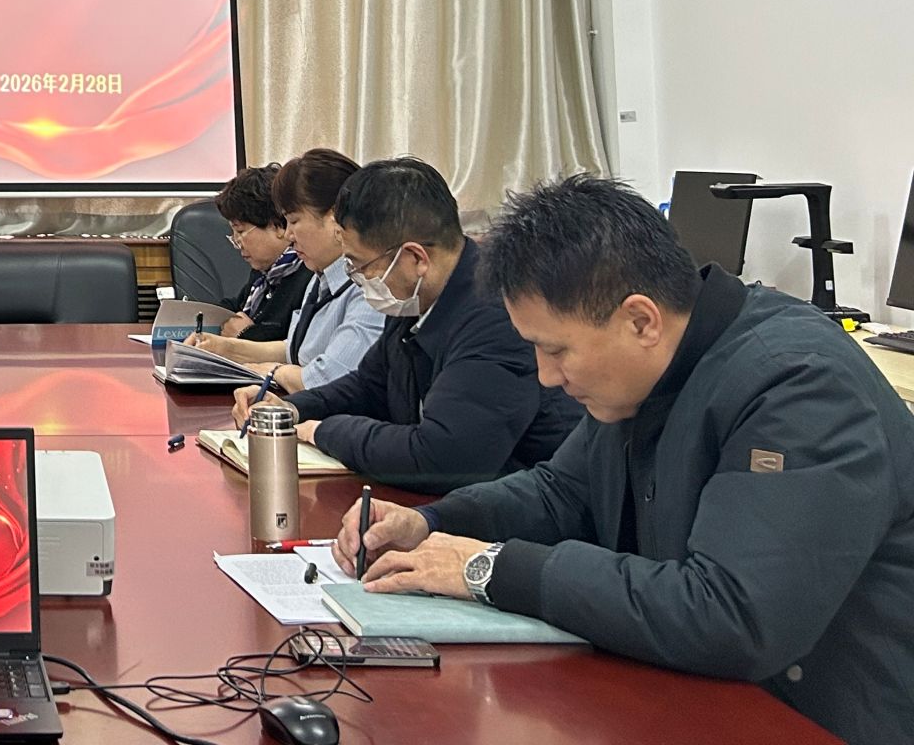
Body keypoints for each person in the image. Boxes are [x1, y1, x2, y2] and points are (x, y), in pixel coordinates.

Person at [340, 177, 914, 745]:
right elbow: (559, 492)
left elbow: (733, 618)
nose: (546, 376)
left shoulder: (799, 387)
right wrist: (433, 523)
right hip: (696, 696)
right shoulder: (644, 373)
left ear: (641, 320)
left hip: (815, 720)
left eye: (556, 350)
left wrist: (489, 569)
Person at [233, 157, 581, 492]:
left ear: (415, 258)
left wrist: (322, 431)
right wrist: (293, 408)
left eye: (360, 265)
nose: (358, 279)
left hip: (522, 512)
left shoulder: (495, 316)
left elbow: (442, 458)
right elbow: (369, 385)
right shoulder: (416, 299)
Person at [186, 148, 382, 391]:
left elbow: (326, 379)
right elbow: (294, 350)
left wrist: (273, 371)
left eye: (294, 221)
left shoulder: (369, 286)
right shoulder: (321, 277)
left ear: (335, 216)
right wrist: (223, 348)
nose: (288, 234)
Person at [203, 164, 313, 343]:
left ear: (277, 225)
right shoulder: (264, 273)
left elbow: (294, 344)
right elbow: (237, 307)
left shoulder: (308, 274)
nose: (236, 242)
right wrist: (193, 315)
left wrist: (246, 334)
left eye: (240, 231)